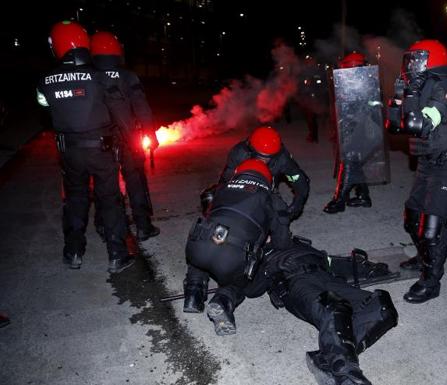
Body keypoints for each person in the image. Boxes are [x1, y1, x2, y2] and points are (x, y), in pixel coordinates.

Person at [36, 21, 133, 273]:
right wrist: (130, 139)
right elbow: (119, 113)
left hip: (69, 152)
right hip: (101, 150)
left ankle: (73, 252)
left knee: (75, 200)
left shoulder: (45, 81)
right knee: (110, 200)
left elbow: (46, 110)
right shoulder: (99, 77)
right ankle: (116, 255)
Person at [244, 237, 398, 385]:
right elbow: (251, 289)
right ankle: (344, 373)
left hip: (327, 278)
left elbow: (332, 262)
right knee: (334, 307)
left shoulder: (298, 244)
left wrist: (367, 268)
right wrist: (258, 262)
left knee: (382, 308)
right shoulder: (259, 255)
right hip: (296, 283)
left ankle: (328, 358)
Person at [386, 39, 447, 303]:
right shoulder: (422, 86)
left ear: (431, 61)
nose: (410, 66)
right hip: (428, 162)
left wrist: (409, 97)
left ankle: (431, 282)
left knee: (432, 229)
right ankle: (423, 257)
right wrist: (397, 100)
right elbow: (394, 127)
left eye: (416, 60)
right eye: (409, 60)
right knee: (412, 218)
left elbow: (419, 125)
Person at [184, 159, 292, 335]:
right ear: (268, 180)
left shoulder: (219, 188)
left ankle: (193, 294)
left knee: (204, 244)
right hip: (230, 257)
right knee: (242, 281)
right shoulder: (271, 199)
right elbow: (282, 243)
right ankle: (223, 301)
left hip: (197, 247)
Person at [90, 31, 160, 241]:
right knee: (136, 181)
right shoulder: (128, 76)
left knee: (105, 184)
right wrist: (150, 133)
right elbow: (142, 107)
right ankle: (143, 226)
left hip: (101, 141)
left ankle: (105, 226)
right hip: (129, 139)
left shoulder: (89, 76)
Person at [324, 52, 374, 214]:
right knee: (355, 164)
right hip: (357, 130)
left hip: (360, 131)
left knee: (349, 164)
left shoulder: (364, 83)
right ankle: (364, 196)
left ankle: (340, 200)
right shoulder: (359, 82)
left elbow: (366, 109)